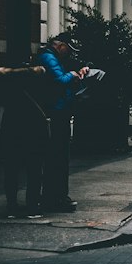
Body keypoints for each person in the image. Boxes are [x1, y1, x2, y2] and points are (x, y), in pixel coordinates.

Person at [40, 31, 90, 213]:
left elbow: (69, 71)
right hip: (55, 113)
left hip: (61, 112)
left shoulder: (57, 58)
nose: (69, 53)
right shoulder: (47, 57)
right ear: (60, 46)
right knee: (56, 156)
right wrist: (73, 75)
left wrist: (80, 71)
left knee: (61, 157)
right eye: (68, 49)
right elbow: (59, 80)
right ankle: (54, 197)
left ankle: (59, 196)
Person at [0, 58, 50, 219]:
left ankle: (12, 206)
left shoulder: (5, 83)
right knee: (34, 170)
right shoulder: (37, 81)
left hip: (11, 129)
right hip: (33, 129)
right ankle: (32, 206)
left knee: (11, 171)